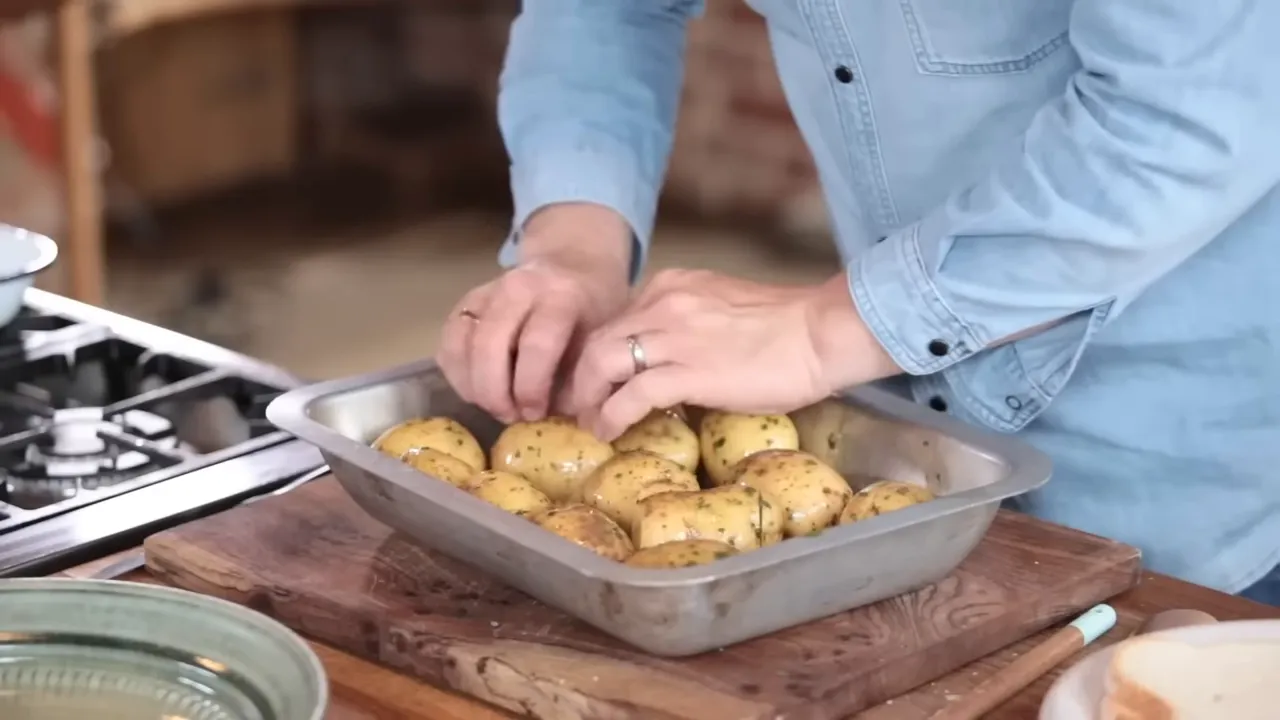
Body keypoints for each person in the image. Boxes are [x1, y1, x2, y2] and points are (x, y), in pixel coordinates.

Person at [437, 2, 1280, 605]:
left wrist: (823, 331)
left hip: (1207, 475)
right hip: (913, 446)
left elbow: (1188, 117)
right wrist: (576, 249)